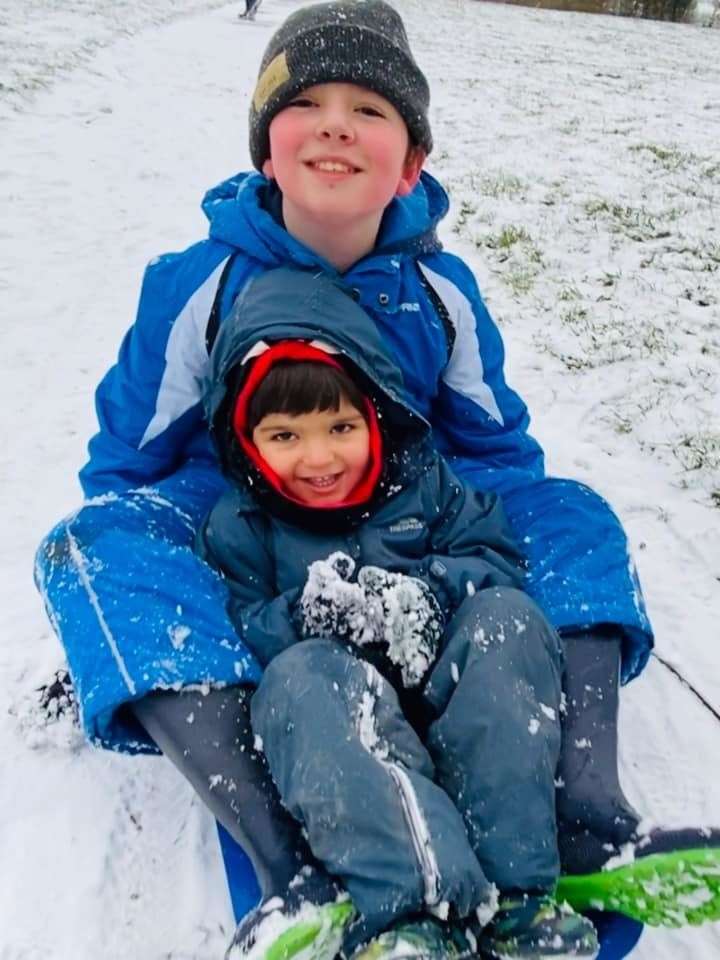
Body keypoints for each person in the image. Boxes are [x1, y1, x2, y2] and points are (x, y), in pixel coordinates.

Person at [33, 2, 719, 958]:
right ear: (266, 150)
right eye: (304, 101)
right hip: (233, 488)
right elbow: (133, 457)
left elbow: (493, 448)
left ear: (411, 160)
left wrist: (452, 545)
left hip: (408, 484)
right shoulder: (200, 281)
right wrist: (143, 596)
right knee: (94, 545)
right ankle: (292, 869)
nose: (335, 123)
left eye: (370, 107)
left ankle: (583, 810)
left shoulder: (440, 291)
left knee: (570, 512)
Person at [194, 266, 600, 960]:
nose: (318, 458)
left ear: (375, 415)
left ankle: (517, 897)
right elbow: (242, 620)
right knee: (300, 679)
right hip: (348, 729)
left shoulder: (427, 483)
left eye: (340, 426)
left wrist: (430, 592)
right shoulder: (242, 523)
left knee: (506, 617)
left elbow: (492, 555)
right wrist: (307, 617)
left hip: (453, 694)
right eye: (284, 436)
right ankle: (416, 910)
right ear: (245, 440)